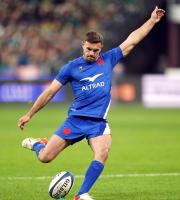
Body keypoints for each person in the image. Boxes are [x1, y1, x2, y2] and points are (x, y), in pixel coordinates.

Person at [18, 6, 165, 200]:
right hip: (75, 120)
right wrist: (30, 114)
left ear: (100, 49)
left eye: (95, 50)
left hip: (97, 123)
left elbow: (133, 39)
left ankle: (81, 194)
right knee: (45, 157)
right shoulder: (71, 67)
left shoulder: (109, 59)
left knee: (102, 152)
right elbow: (50, 92)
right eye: (88, 49)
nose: (91, 53)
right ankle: (38, 144)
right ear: (82, 46)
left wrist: (152, 20)